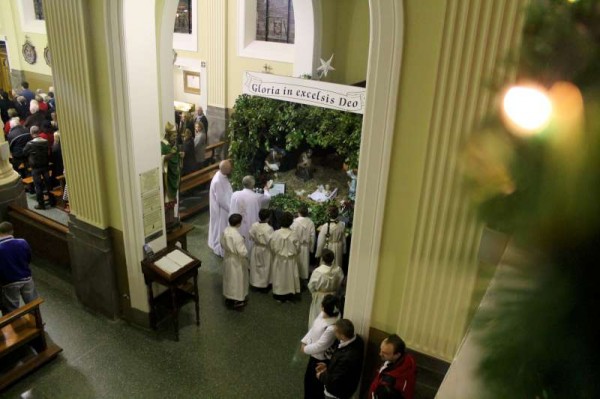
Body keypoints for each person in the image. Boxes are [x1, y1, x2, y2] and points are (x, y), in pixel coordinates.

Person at [301, 295, 341, 399]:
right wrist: (304, 341)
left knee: (315, 387)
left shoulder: (332, 327)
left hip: (319, 359)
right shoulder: (324, 314)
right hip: (312, 354)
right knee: (308, 383)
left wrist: (305, 349)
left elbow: (321, 345)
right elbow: (313, 328)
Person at [316, 319, 364, 399]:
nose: (334, 333)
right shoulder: (357, 341)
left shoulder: (348, 356)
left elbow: (335, 380)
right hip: (346, 389)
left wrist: (321, 375)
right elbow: (341, 368)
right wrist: (328, 366)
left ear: (342, 335)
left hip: (336, 393)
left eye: (335, 331)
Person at [0, 222, 38, 315]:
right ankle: (37, 323)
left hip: (9, 283)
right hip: (27, 278)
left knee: (11, 310)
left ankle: (14, 328)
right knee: (33, 304)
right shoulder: (22, 242)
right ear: (12, 231)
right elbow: (28, 258)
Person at [229, 175, 271, 251]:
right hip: (249, 226)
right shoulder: (256, 197)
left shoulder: (235, 194)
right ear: (253, 184)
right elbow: (267, 198)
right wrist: (266, 190)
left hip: (236, 224)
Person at [368, 334, 416, 399]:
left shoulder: (387, 385)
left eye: (385, 353)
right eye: (380, 350)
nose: (380, 354)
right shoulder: (409, 359)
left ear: (397, 355)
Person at [307, 249, 344, 328]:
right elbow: (340, 282)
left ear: (322, 259)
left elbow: (311, 285)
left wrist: (314, 293)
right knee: (331, 315)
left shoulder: (318, 271)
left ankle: (317, 330)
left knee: (318, 314)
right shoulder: (338, 270)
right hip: (333, 296)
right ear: (333, 259)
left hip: (320, 296)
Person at [270, 211, 301, 302]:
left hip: (279, 259)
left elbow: (272, 246)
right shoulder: (294, 234)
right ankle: (289, 294)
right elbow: (298, 248)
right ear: (291, 222)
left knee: (279, 277)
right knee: (290, 277)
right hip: (290, 259)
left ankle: (279, 294)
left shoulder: (276, 233)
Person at [220, 213, 249, 308]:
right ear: (238, 224)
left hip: (228, 258)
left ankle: (229, 297)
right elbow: (242, 252)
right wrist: (243, 242)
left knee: (229, 279)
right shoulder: (237, 236)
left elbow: (222, 243)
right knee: (237, 280)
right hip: (236, 261)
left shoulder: (226, 230)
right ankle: (237, 300)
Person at [23, 126, 56, 210]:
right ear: (39, 132)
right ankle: (52, 201)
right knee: (48, 184)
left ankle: (41, 204)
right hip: (45, 165)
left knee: (38, 186)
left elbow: (24, 152)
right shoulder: (45, 142)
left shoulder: (29, 144)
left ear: (31, 133)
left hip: (35, 167)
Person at [161, 122, 184, 229]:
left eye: (175, 137)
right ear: (168, 135)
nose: (175, 139)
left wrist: (179, 155)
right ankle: (166, 222)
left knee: (171, 201)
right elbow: (161, 158)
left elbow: (175, 156)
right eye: (173, 136)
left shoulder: (171, 145)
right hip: (166, 178)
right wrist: (170, 155)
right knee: (167, 200)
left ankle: (171, 220)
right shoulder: (162, 145)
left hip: (173, 176)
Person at [208, 160, 233, 257]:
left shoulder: (222, 175)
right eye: (230, 168)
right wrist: (231, 208)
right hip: (221, 210)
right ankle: (219, 249)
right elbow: (221, 199)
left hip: (224, 207)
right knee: (220, 229)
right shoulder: (218, 180)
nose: (231, 169)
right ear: (225, 169)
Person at [248, 208, 274, 290]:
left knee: (255, 266)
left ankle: (255, 283)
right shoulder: (269, 228)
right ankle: (264, 285)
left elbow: (250, 236)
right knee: (265, 267)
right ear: (268, 218)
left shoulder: (254, 225)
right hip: (265, 250)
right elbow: (271, 241)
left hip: (256, 247)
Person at [291, 204, 316, 282]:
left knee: (296, 262)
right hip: (306, 246)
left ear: (299, 212)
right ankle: (304, 277)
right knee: (305, 262)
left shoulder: (294, 222)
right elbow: (313, 236)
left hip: (296, 245)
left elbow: (292, 234)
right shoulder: (310, 222)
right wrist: (311, 248)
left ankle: (296, 277)